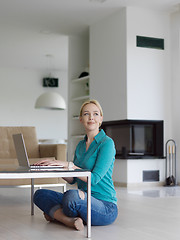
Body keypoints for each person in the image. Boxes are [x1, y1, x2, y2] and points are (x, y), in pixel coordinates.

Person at [33, 99, 118, 231]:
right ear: (80, 119)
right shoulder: (80, 145)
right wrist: (56, 167)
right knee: (39, 194)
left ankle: (57, 214)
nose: (91, 117)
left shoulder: (107, 143)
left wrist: (68, 164)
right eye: (86, 114)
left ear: (101, 119)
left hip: (105, 206)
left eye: (95, 114)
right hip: (82, 197)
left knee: (71, 197)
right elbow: (73, 179)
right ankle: (68, 220)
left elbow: (94, 179)